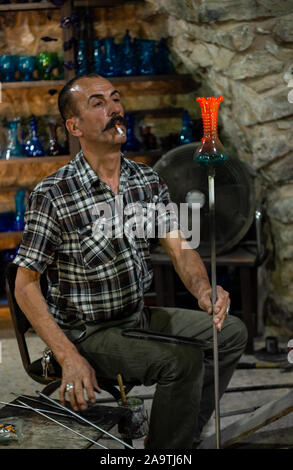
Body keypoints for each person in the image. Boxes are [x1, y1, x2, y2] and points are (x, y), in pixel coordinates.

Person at [13, 73, 247, 449]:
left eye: (116, 98)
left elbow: (180, 248)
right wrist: (67, 356)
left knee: (230, 333)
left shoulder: (147, 181)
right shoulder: (54, 193)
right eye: (98, 103)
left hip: (136, 316)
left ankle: (179, 437)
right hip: (88, 332)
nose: (115, 109)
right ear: (75, 127)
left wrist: (205, 291)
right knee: (181, 361)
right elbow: (24, 285)